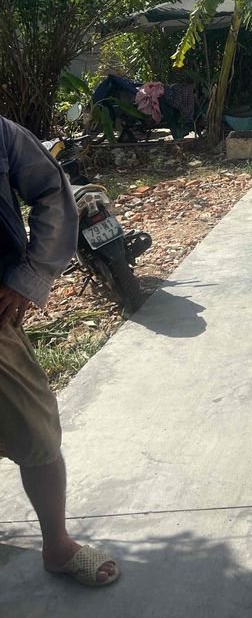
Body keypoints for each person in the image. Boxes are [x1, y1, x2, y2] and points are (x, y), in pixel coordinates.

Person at [0, 115, 120, 587]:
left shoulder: (3, 134)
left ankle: (57, 544)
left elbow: (53, 190)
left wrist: (29, 276)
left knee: (36, 432)